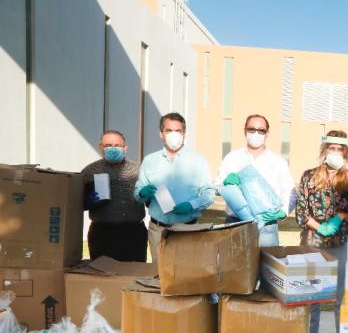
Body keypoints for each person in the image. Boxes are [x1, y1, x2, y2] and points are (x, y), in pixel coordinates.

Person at [296, 130, 348, 333]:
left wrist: (341, 217)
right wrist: (319, 226)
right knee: (313, 296)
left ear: (345, 153)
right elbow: (301, 213)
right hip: (313, 243)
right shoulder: (308, 177)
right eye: (331, 148)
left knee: (339, 298)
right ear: (324, 150)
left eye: (340, 149)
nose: (335, 153)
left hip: (340, 245)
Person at [133, 112, 214, 263]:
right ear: (161, 134)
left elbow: (209, 194)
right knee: (159, 275)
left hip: (187, 229)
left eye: (178, 131)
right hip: (158, 230)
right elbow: (138, 193)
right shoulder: (149, 161)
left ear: (184, 134)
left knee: (186, 274)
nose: (173, 134)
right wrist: (142, 192)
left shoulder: (198, 161)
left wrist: (191, 205)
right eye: (169, 130)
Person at [216, 114, 293, 247]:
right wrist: (224, 183)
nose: (256, 133)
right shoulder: (232, 158)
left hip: (267, 227)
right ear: (245, 130)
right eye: (252, 129)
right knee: (233, 266)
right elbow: (217, 186)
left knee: (267, 266)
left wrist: (283, 212)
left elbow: (289, 191)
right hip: (235, 224)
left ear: (267, 133)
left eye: (261, 130)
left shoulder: (278, 161)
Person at [81, 130, 147, 261]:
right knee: (103, 275)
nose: (113, 148)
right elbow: (77, 203)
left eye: (117, 145)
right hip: (102, 234)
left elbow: (150, 200)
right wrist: (88, 201)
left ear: (125, 148)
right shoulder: (90, 171)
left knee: (134, 275)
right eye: (108, 145)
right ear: (101, 148)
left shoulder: (138, 170)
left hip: (134, 233)